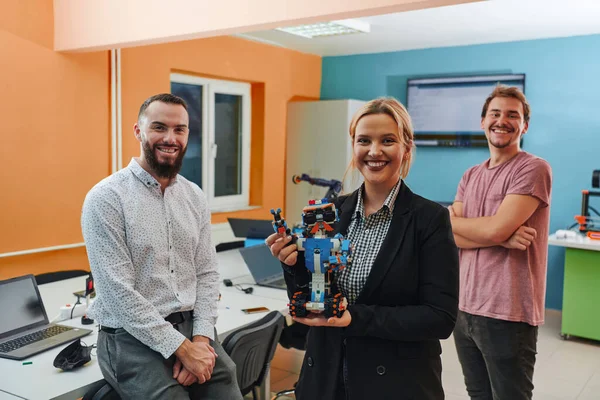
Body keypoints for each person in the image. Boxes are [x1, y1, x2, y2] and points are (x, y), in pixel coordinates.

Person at [265, 97, 459, 400]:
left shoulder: (429, 219)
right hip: (325, 380)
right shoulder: (333, 211)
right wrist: (292, 264)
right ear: (353, 147)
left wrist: (354, 316)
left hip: (395, 384)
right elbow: (311, 296)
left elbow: (440, 318)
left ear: (406, 148)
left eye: (388, 140)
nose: (374, 151)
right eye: (364, 140)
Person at [81, 93, 242, 400]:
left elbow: (206, 273)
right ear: (138, 131)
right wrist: (182, 349)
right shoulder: (106, 198)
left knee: (228, 388)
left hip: (192, 329)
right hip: (130, 339)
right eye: (159, 127)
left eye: (179, 129)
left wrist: (201, 340)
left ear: (187, 135)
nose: (170, 138)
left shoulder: (194, 197)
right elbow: (118, 294)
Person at [448, 85, 552, 400]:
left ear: (525, 125)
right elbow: (448, 233)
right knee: (478, 394)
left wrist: (492, 231)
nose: (502, 121)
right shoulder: (470, 175)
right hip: (463, 307)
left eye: (512, 115)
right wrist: (502, 237)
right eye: (495, 113)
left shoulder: (533, 168)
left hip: (507, 311)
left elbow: (490, 229)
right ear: (483, 121)